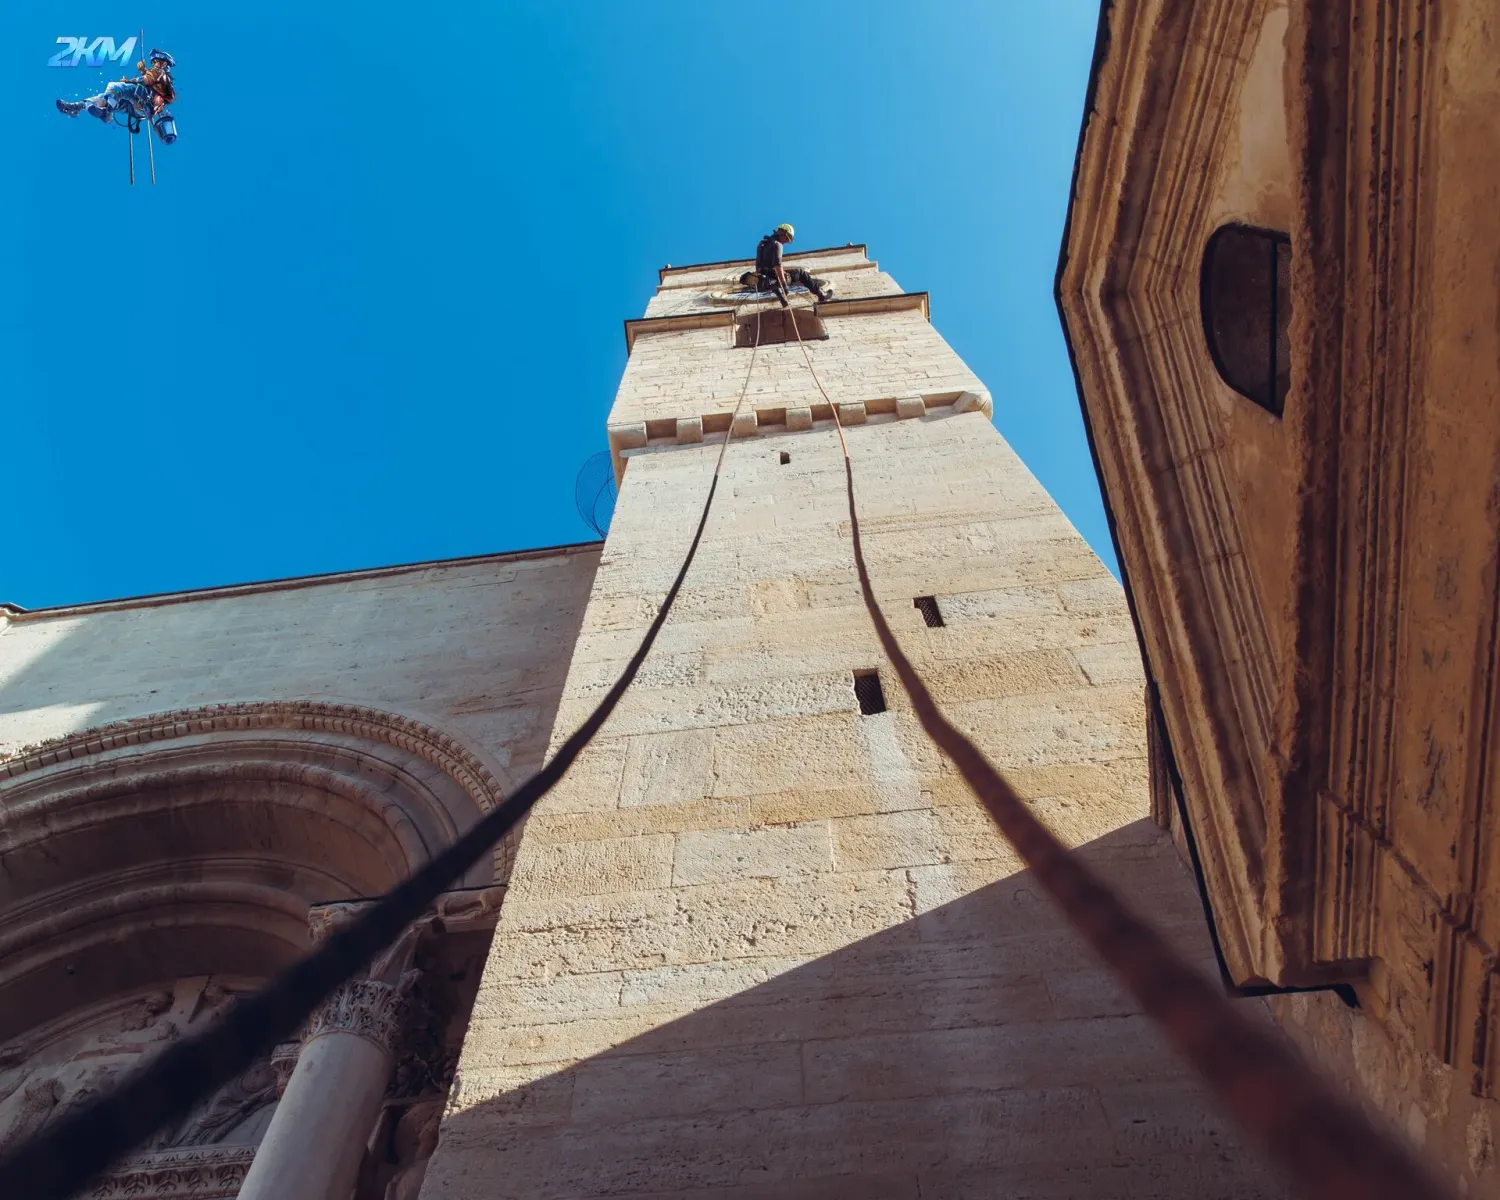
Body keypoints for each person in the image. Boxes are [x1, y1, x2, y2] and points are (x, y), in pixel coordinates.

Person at [57, 49, 178, 144]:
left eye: (156, 61)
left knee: (116, 87)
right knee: (106, 98)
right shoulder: (161, 77)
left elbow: (147, 80)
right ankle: (76, 107)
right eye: (154, 62)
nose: (154, 64)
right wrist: (142, 71)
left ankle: (107, 113)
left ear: (163, 63)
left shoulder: (160, 72)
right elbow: (150, 81)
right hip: (140, 109)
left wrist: (129, 80)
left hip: (143, 101)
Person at [738, 224, 833, 306]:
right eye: (787, 238)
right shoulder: (778, 244)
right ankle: (821, 295)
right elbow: (777, 265)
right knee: (801, 273)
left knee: (772, 279)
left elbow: (758, 264)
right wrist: (784, 284)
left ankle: (774, 285)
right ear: (781, 232)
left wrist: (760, 274)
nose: (786, 241)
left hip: (763, 275)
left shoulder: (762, 244)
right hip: (772, 274)